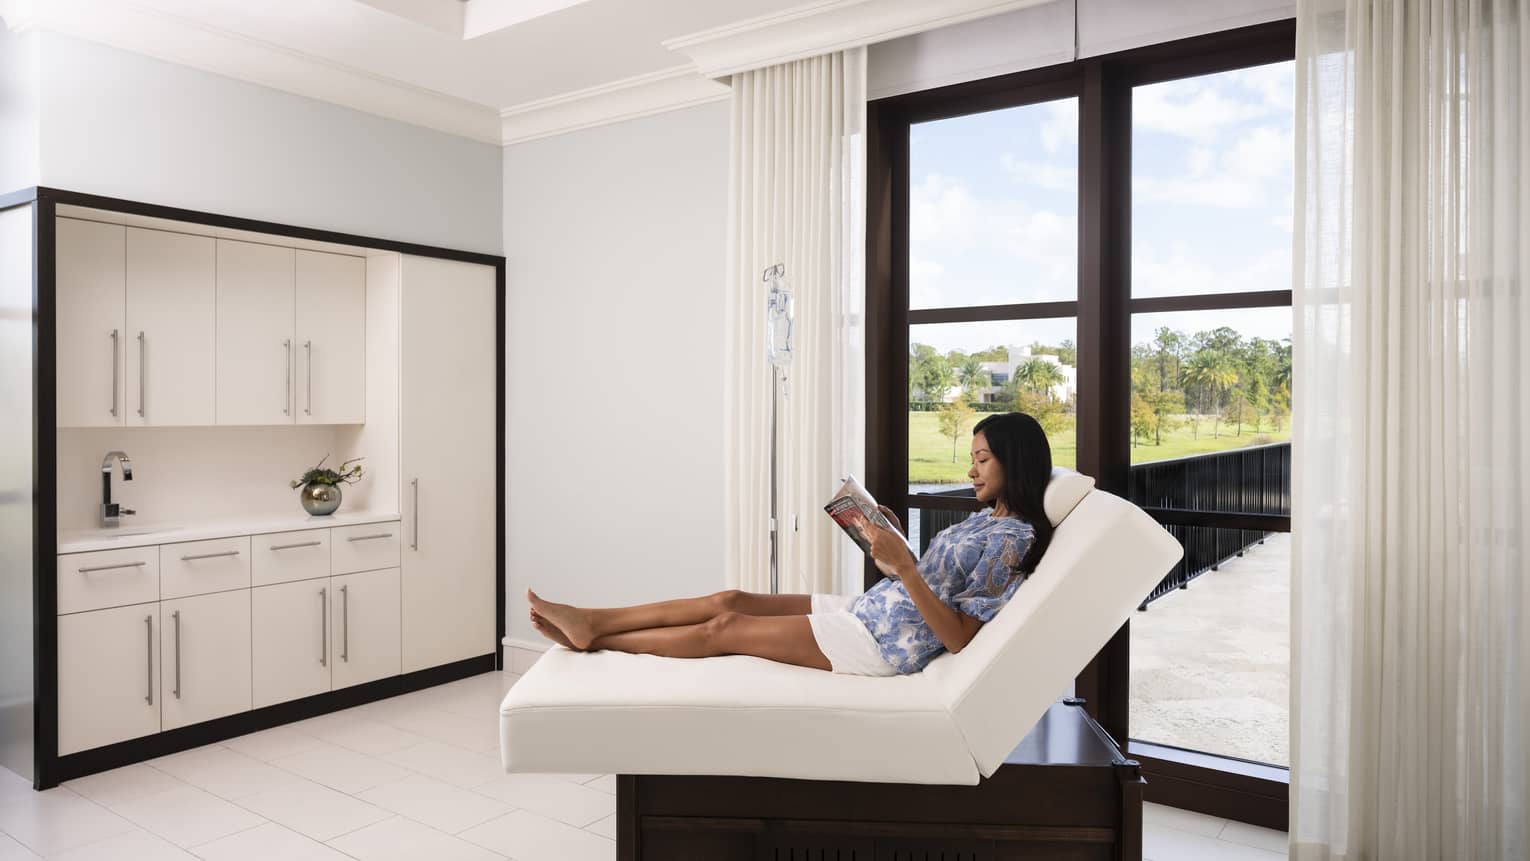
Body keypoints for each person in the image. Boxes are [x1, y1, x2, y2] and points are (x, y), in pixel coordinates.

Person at [527, 411, 1055, 676]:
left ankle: (595, 638)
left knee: (724, 629)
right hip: (874, 610)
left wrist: (908, 572)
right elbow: (935, 587)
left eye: (982, 459)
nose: (971, 469)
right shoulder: (988, 520)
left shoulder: (1016, 539)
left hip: (884, 644)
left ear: (1016, 461)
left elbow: (960, 637)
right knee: (729, 599)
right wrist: (894, 547)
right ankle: (592, 617)